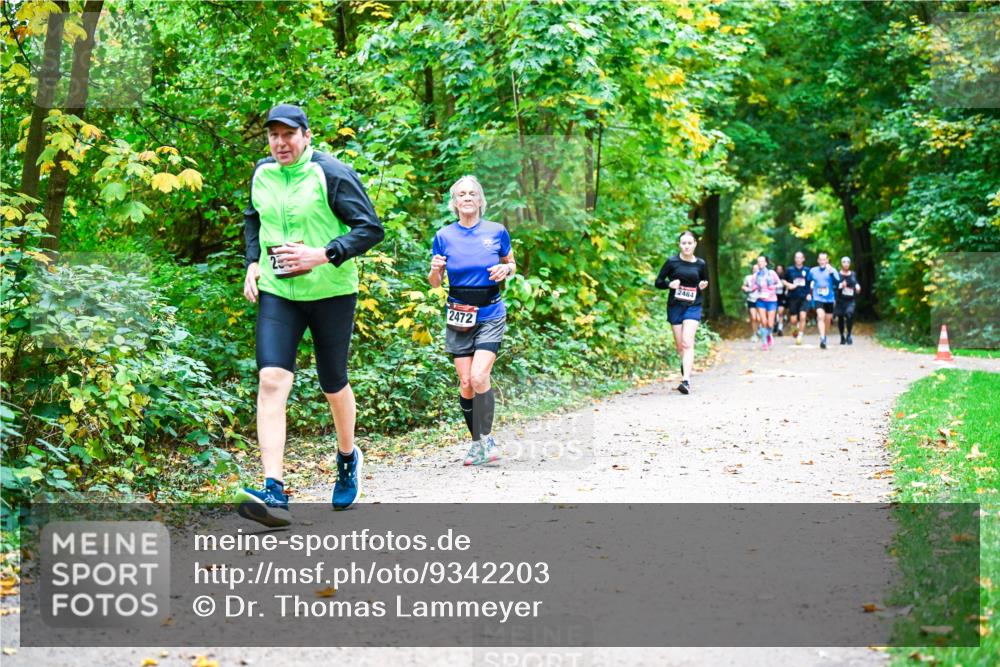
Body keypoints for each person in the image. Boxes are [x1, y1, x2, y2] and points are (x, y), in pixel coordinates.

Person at [238, 104, 384, 526]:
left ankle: (346, 456)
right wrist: (253, 262)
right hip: (278, 291)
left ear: (306, 135)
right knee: (271, 379)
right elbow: (253, 218)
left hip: (330, 291)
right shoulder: (262, 174)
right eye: (273, 135)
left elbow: (370, 228)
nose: (280, 143)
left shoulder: (331, 173)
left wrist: (321, 255)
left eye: (288, 135)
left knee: (332, 382)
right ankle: (274, 490)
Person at [428, 176, 515, 466]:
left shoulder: (496, 231)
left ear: (480, 200)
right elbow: (435, 283)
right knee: (466, 383)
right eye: (461, 194)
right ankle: (477, 442)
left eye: (472, 193)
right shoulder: (444, 236)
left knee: (479, 377)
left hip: (490, 313)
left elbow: (511, 263)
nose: (467, 198)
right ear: (454, 203)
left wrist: (507, 271)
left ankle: (487, 439)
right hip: (459, 315)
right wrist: (435, 270)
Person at [655, 231, 710, 394]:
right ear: (680, 245)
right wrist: (669, 285)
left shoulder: (700, 264)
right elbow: (658, 282)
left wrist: (702, 286)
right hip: (675, 306)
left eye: (689, 243)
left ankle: (686, 381)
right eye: (683, 243)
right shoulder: (672, 262)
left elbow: (704, 281)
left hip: (693, 305)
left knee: (687, 342)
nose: (686, 246)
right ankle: (685, 364)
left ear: (694, 244)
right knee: (680, 345)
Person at [807, 251, 839, 349]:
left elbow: (837, 283)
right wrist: (808, 293)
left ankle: (825, 336)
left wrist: (832, 273)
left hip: (829, 298)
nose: (822, 261)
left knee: (828, 320)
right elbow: (807, 281)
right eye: (820, 260)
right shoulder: (813, 271)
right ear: (818, 260)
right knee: (820, 316)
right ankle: (822, 338)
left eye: (824, 260)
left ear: (827, 260)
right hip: (818, 297)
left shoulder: (833, 270)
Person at [752, 255, 780, 350]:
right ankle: (764, 342)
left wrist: (774, 287)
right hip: (761, 300)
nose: (760, 263)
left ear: (765, 263)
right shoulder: (755, 275)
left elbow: (779, 283)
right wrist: (754, 288)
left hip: (772, 300)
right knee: (763, 321)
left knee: (770, 324)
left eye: (762, 261)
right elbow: (753, 287)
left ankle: (768, 334)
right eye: (758, 261)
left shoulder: (772, 273)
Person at [783, 251, 810, 345]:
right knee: (793, 320)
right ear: (795, 259)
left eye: (800, 257)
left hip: (804, 297)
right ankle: (795, 331)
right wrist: (788, 284)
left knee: (803, 317)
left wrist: (810, 293)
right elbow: (783, 280)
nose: (798, 259)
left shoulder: (807, 270)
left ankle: (800, 336)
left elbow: (811, 282)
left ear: (803, 259)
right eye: (797, 258)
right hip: (793, 297)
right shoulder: (789, 270)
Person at [835, 256, 861, 345]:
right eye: (844, 262)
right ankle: (842, 335)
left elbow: (856, 283)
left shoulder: (853, 274)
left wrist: (857, 287)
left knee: (849, 314)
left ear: (849, 264)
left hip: (850, 300)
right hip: (840, 300)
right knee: (841, 318)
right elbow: (834, 287)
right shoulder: (838, 275)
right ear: (841, 264)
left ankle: (849, 334)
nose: (846, 264)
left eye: (847, 262)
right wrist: (841, 286)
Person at [741, 267, 761, 342]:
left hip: (761, 300)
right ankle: (754, 334)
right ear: (752, 270)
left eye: (757, 269)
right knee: (753, 318)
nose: (756, 270)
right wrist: (745, 289)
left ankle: (759, 328)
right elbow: (743, 286)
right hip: (751, 299)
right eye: (754, 269)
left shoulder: (763, 278)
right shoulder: (748, 278)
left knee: (759, 318)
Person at [774, 264, 787, 336]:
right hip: (773, 296)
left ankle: (780, 328)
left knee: (781, 312)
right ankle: (775, 323)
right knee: (774, 312)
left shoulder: (785, 277)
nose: (779, 270)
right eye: (778, 269)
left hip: (782, 297)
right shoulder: (772, 277)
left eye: (780, 269)